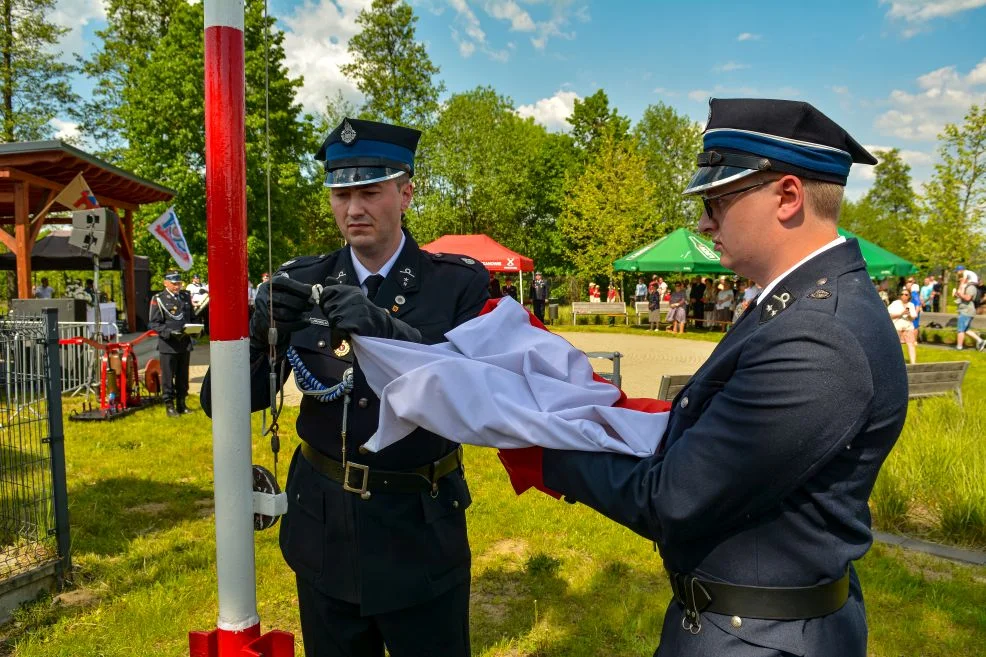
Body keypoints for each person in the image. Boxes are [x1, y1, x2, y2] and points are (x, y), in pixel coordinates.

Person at [500, 98, 906, 657]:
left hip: (761, 637)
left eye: (717, 200)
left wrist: (539, 449)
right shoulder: (796, 307)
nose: (703, 222)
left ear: (787, 197)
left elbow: (675, 499)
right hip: (745, 622)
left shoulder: (818, 336)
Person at [202, 117, 488, 657]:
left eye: (370, 191)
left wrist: (386, 330)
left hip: (418, 529)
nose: (353, 209)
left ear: (405, 194)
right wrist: (261, 331)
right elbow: (224, 403)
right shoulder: (304, 279)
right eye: (341, 193)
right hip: (325, 524)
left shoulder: (455, 282)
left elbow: (469, 397)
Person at [148, 270, 195, 417]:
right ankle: (169, 405)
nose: (177, 286)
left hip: (184, 342)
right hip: (168, 344)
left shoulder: (185, 297)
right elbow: (154, 323)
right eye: (174, 283)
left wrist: (195, 329)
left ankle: (182, 404)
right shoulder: (159, 298)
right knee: (168, 377)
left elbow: (191, 317)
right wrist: (168, 332)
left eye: (179, 283)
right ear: (166, 283)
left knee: (182, 376)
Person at [954, 266, 985, 351]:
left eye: (961, 279)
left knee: (960, 330)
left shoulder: (971, 287)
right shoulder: (966, 287)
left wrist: (960, 294)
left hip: (967, 311)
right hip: (964, 310)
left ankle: (959, 347)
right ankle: (981, 341)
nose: (960, 280)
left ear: (966, 279)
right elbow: (961, 297)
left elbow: (968, 298)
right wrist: (957, 294)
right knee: (966, 329)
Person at [888, 288, 919, 364]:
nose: (904, 296)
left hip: (908, 328)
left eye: (906, 294)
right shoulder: (895, 303)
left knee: (911, 344)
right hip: (897, 328)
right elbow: (889, 315)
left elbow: (913, 317)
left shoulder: (911, 305)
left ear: (909, 296)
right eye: (902, 294)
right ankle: (897, 363)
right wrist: (901, 314)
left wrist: (908, 315)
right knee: (897, 347)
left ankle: (913, 363)